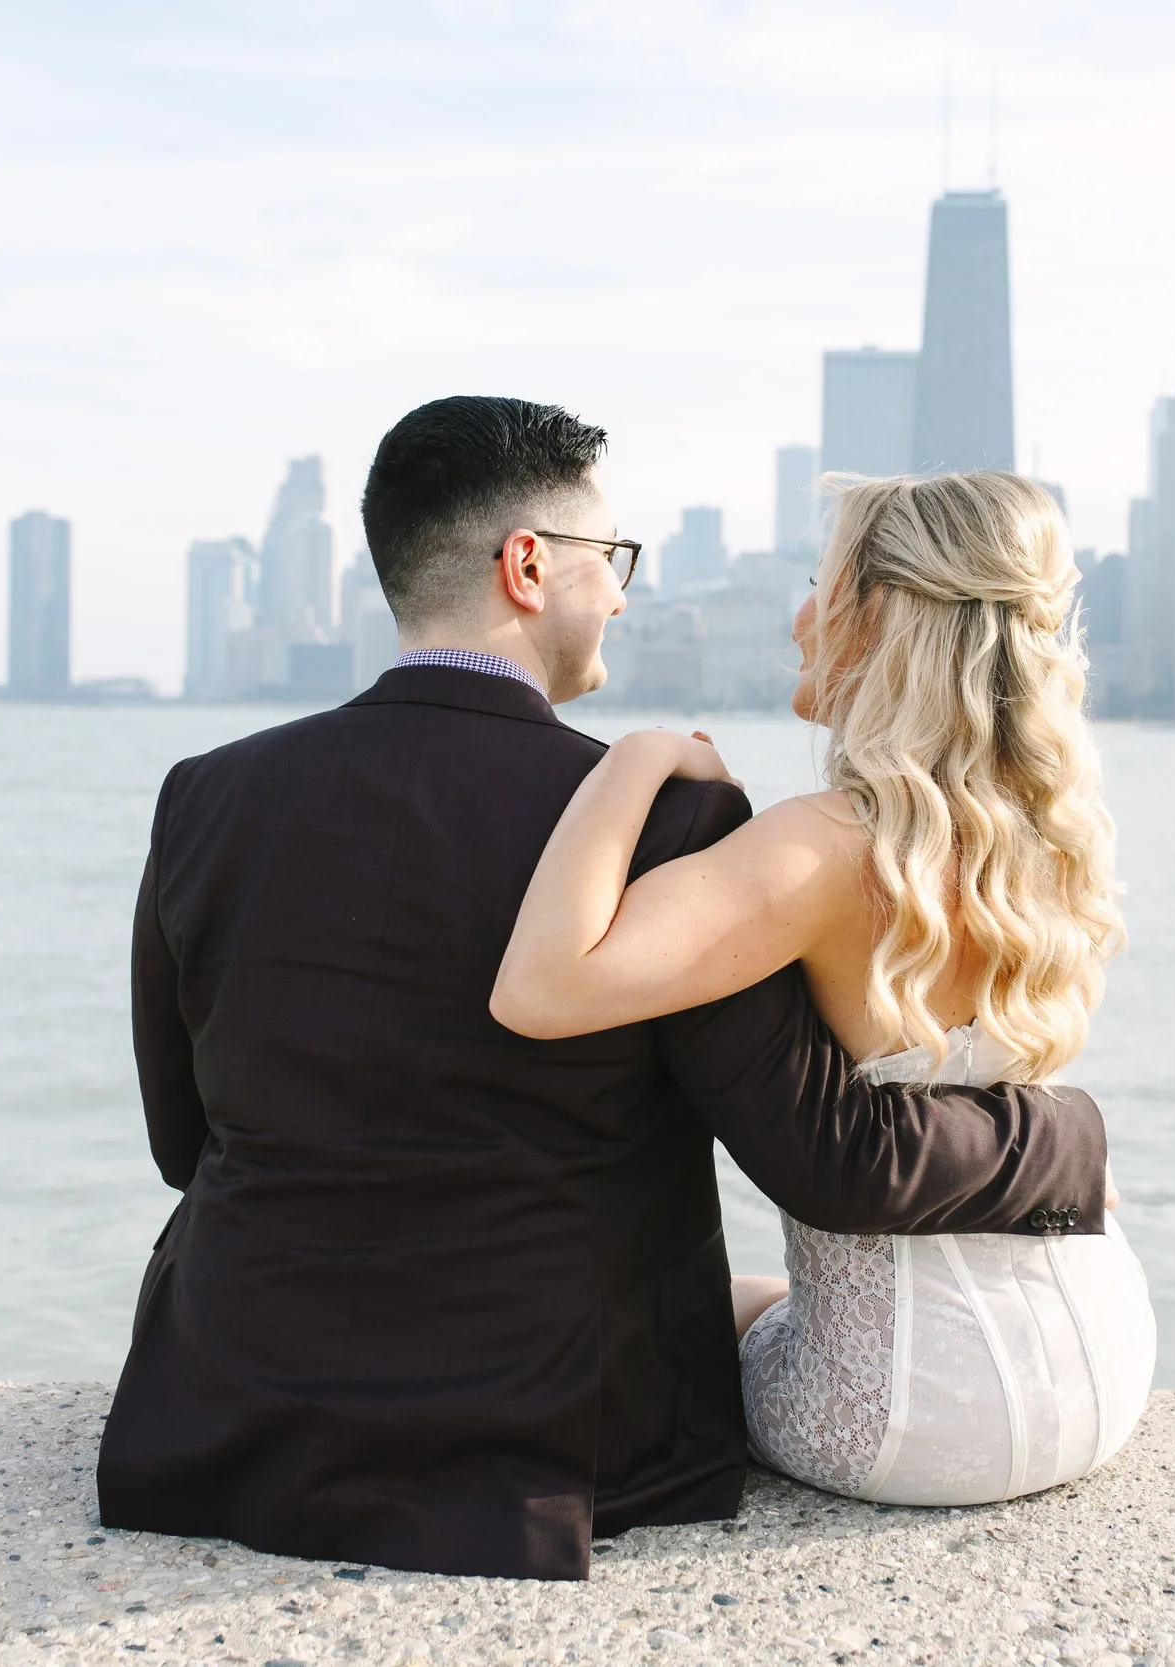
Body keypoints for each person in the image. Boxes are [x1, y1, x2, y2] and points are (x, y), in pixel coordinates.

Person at [96, 398, 1113, 1581]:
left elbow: (184, 1142)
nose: (624, 593)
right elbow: (814, 1142)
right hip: (557, 1434)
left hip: (223, 1403)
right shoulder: (679, 821)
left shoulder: (204, 795)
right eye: (611, 559)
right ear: (529, 565)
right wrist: (1071, 1139)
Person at [493, 469, 1156, 1506]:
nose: (800, 614)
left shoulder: (825, 844)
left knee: (681, 1320)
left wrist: (637, 758)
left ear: (881, 612)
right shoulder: (1049, 836)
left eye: (819, 581)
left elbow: (541, 984)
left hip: (911, 1419)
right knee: (749, 1298)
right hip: (1106, 1358)